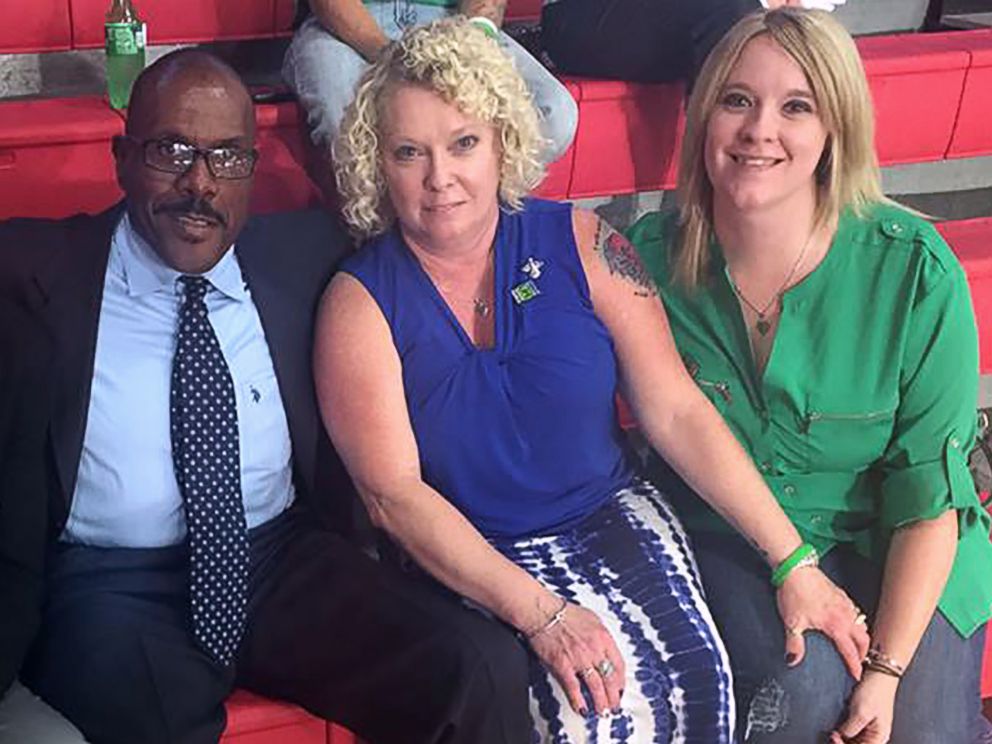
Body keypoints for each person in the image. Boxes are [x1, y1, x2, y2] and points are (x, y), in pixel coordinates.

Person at [318, 17, 870, 743]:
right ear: (376, 163)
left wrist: (791, 559)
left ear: (502, 142)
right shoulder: (358, 303)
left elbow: (675, 411)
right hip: (472, 553)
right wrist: (542, 615)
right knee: (588, 717)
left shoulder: (584, 243)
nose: (440, 177)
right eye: (408, 152)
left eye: (463, 144)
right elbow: (395, 499)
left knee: (701, 687)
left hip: (610, 514)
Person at [0, 48, 532, 744]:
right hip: (112, 584)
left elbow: (448, 221)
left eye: (227, 157)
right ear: (121, 157)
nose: (201, 183)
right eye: (172, 151)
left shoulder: (306, 256)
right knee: (153, 716)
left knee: (477, 666)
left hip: (281, 557)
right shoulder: (34, 271)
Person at [628, 8, 992, 744]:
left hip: (903, 537)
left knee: (920, 731)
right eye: (737, 100)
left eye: (797, 106)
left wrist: (886, 675)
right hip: (737, 532)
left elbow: (929, 502)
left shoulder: (915, 269)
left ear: (836, 130)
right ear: (703, 117)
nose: (760, 129)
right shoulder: (647, 262)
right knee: (802, 693)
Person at [282, 0, 578, 165]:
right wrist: (392, 56)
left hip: (449, 19)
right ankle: (379, 241)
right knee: (344, 118)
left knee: (552, 112)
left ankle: (472, 224)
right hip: (344, 29)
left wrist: (470, 44)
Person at [539, 0, 844, 88]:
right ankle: (711, 188)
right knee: (734, 14)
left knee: (809, 44)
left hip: (705, 22)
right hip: (586, 15)